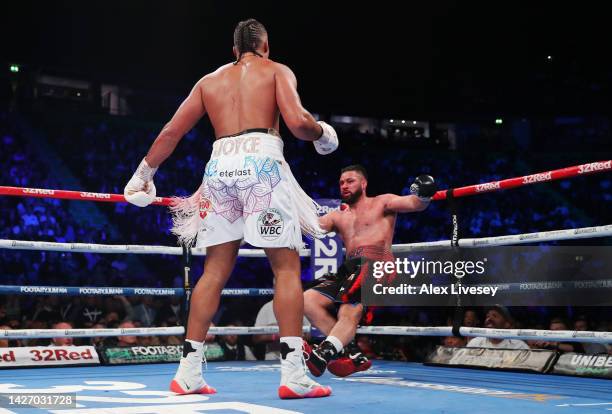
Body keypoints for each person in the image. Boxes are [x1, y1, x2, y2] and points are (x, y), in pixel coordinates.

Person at [123, 18, 337, 399]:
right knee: (285, 266)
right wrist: (324, 134)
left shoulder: (209, 81)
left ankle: (188, 372)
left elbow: (171, 131)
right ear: (266, 46)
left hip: (218, 169)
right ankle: (293, 376)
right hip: (262, 165)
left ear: (234, 50)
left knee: (214, 270)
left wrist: (143, 175)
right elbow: (299, 123)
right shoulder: (276, 71)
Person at [303, 164, 435, 377]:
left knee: (349, 309)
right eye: (341, 182)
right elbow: (312, 227)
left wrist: (424, 193)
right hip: (349, 269)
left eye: (350, 181)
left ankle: (325, 353)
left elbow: (414, 203)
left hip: (377, 263)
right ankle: (352, 353)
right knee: (307, 300)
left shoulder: (382, 202)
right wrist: (283, 214)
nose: (344, 186)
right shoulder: (338, 216)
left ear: (363, 184)